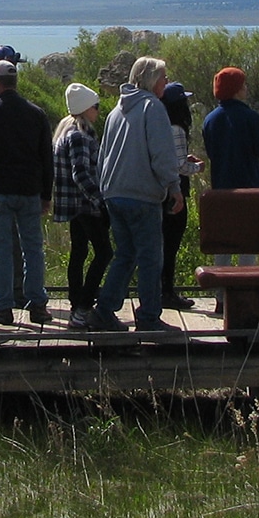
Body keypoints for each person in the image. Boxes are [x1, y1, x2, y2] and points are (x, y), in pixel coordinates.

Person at [92, 56, 184, 333]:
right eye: (163, 78)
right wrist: (174, 187)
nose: (166, 83)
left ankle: (104, 310)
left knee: (126, 254)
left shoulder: (116, 112)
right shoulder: (152, 107)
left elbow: (103, 155)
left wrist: (104, 188)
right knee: (150, 258)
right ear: (151, 80)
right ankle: (148, 317)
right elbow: (162, 154)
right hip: (142, 195)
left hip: (114, 193)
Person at [0, 60, 53, 325]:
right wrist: (46, 194)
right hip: (30, 191)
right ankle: (38, 305)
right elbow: (46, 158)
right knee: (33, 249)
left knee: (1, 250)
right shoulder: (36, 113)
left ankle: (3, 306)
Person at [200, 66, 259, 269]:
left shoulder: (210, 120)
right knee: (248, 242)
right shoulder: (250, 117)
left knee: (224, 243)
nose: (246, 89)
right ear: (236, 89)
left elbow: (212, 152)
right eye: (243, 85)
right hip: (250, 189)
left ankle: (221, 294)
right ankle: (244, 290)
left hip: (222, 188)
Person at [51, 82, 108, 330]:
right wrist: (101, 201)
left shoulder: (65, 131)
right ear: (86, 109)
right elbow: (82, 174)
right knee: (105, 253)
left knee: (79, 253)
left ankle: (77, 304)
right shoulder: (79, 136)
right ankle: (83, 308)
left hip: (73, 206)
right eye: (95, 106)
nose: (98, 110)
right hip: (85, 205)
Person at [158, 81, 205, 310]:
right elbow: (178, 166)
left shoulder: (159, 124)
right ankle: (166, 291)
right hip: (173, 194)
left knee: (162, 244)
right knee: (170, 245)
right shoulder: (176, 128)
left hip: (160, 193)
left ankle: (161, 290)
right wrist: (197, 167)